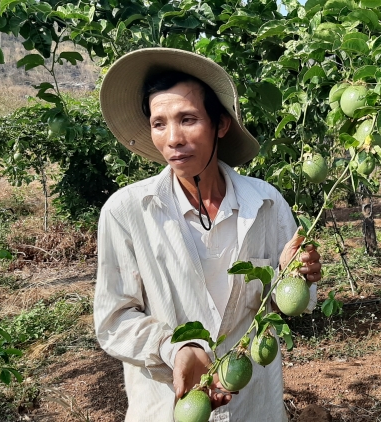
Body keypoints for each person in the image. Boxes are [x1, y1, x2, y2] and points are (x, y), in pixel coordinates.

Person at [94, 48, 322, 422]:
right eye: (159, 123)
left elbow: (289, 304)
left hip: (253, 403)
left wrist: (296, 275)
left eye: (187, 119)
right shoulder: (127, 212)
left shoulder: (265, 203)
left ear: (220, 124)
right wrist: (175, 349)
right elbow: (113, 320)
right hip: (168, 405)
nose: (173, 139)